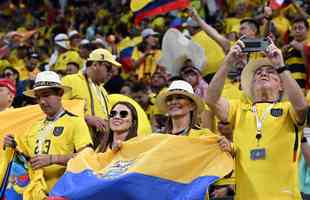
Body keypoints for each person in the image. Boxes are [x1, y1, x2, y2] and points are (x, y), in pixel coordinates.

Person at [205, 39, 307, 199]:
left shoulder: (287, 109)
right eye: (258, 73)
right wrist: (227, 62)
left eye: (270, 72)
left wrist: (280, 66)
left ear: (281, 85)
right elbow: (211, 99)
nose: (263, 73)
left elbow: (302, 107)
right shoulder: (238, 109)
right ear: (251, 86)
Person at [2, 71, 93, 198]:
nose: (42, 102)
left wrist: (52, 159)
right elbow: (25, 159)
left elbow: (87, 157)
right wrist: (13, 145)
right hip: (33, 193)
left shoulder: (76, 122)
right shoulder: (34, 127)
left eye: (46, 95)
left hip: (61, 193)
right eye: (38, 98)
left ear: (60, 94)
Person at [62, 48, 121, 149]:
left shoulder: (103, 91)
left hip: (97, 147)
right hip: (74, 146)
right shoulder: (70, 80)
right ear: (95, 65)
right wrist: (85, 117)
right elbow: (59, 109)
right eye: (109, 68)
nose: (111, 73)